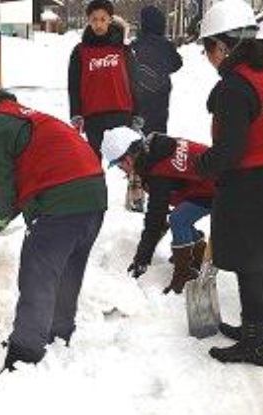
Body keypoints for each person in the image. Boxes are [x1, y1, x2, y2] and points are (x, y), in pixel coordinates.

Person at [0, 85, 107, 375]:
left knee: (37, 273)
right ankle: (57, 334)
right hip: (94, 196)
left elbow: (1, 185)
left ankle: (24, 354)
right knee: (67, 270)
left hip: (60, 200)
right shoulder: (17, 114)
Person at [197, 0, 263, 366]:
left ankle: (257, 344)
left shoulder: (235, 85)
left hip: (250, 183)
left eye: (207, 47)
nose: (206, 55)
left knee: (252, 262)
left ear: (224, 45)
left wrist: (202, 165)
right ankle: (257, 328)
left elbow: (230, 149)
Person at [102, 127, 214, 294]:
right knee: (179, 217)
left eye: (118, 165)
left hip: (220, 188)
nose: (122, 170)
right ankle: (196, 254)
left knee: (178, 219)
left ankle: (184, 273)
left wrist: (142, 258)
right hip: (208, 185)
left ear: (128, 159)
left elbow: (156, 219)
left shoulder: (158, 170)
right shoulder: (156, 149)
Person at [68, 0, 141, 160]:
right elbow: (73, 85)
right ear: (88, 20)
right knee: (93, 164)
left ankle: (137, 186)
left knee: (132, 163)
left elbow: (134, 82)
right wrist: (76, 113)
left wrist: (137, 113)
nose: (98, 24)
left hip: (122, 114)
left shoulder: (123, 49)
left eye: (103, 19)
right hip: (93, 116)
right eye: (94, 19)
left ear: (110, 19)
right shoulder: (80, 51)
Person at [131, 5, 183, 135]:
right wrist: (164, 69)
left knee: (139, 131)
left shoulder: (136, 44)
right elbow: (178, 63)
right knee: (158, 130)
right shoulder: (165, 45)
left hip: (139, 95)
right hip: (160, 94)